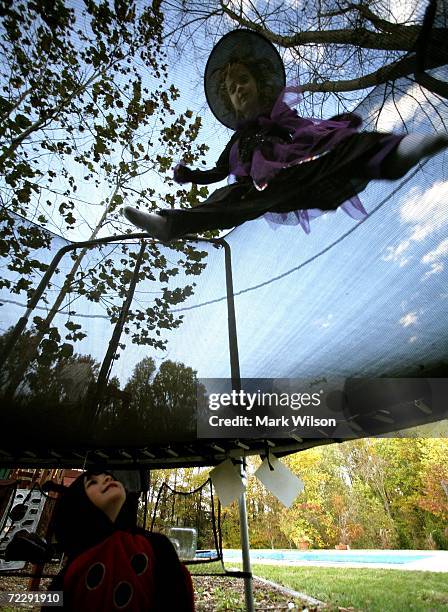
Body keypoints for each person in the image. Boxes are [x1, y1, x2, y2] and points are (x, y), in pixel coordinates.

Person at [123, 29, 448, 241]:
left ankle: (402, 151)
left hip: (294, 172)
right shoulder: (234, 144)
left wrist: (331, 131)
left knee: (348, 152)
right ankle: (170, 224)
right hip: (256, 191)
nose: (238, 88)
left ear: (260, 84)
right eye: (231, 89)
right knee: (224, 199)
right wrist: (191, 174)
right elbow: (218, 172)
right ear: (231, 104)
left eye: (242, 80)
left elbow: (307, 132)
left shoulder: (279, 118)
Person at [43, 471, 195, 611]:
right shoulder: (74, 568)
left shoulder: (156, 544)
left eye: (108, 476)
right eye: (92, 482)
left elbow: (177, 594)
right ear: (78, 503)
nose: (107, 478)